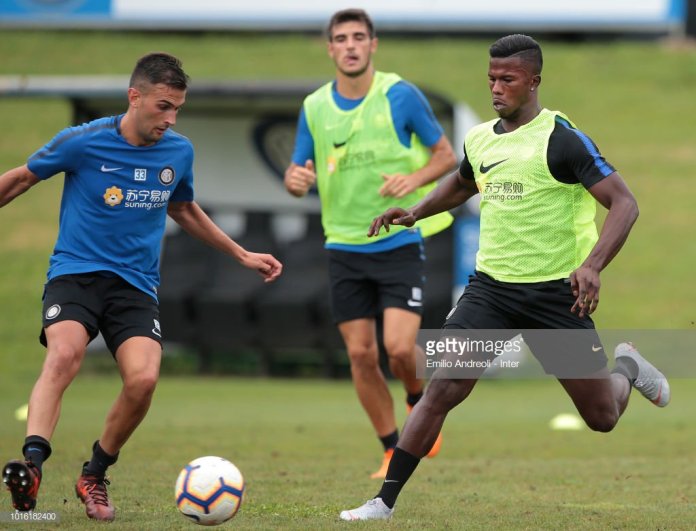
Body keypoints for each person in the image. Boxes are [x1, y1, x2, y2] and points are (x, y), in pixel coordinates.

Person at [339, 34, 670, 521]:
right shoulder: (481, 137)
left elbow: (625, 202)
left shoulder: (563, 139)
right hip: (491, 292)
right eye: (491, 78)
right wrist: (416, 209)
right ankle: (383, 502)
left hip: (557, 295)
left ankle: (628, 368)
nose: (496, 87)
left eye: (508, 79)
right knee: (443, 387)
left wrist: (593, 265)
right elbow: (462, 182)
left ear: (533, 82)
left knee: (601, 418)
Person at [0, 52, 282, 522]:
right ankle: (31, 468)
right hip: (76, 274)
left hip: (135, 287)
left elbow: (184, 209)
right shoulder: (83, 141)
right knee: (64, 354)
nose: (169, 119)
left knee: (144, 379)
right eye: (163, 107)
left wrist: (242, 254)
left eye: (177, 109)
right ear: (135, 97)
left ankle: (94, 473)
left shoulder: (178, 151)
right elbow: (21, 179)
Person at [284, 8, 456, 479]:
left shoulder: (399, 95)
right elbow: (298, 172)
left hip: (398, 241)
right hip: (343, 246)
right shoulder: (315, 106)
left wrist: (413, 179)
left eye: (359, 36)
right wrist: (295, 180)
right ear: (331, 48)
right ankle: (390, 447)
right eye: (342, 38)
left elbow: (445, 156)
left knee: (399, 349)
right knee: (360, 354)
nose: (351, 45)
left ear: (373, 44)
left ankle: (421, 404)